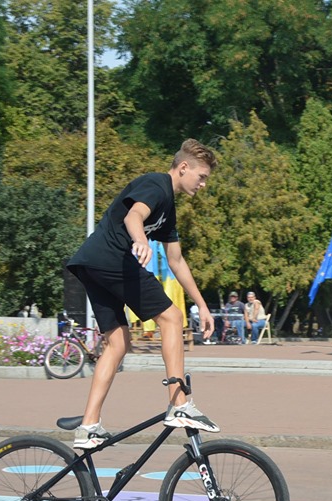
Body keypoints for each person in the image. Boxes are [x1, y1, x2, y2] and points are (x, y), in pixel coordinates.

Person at [63, 139, 219, 449]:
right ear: (183, 167)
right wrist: (141, 241)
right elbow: (134, 215)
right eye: (201, 177)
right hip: (111, 257)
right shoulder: (156, 184)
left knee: (118, 341)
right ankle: (179, 404)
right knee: (172, 318)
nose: (203, 184)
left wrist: (202, 306)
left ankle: (89, 425)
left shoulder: (168, 209)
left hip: (91, 263)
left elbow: (176, 261)